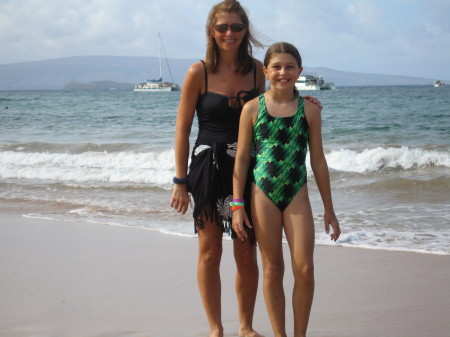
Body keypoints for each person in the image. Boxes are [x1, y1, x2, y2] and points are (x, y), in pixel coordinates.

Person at [170, 1, 322, 336]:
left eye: (236, 27)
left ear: (245, 30)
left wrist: (305, 100)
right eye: (222, 27)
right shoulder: (199, 71)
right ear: (212, 31)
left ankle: (246, 326)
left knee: (245, 252)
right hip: (208, 166)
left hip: (249, 170)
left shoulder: (256, 69)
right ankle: (215, 328)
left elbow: (279, 95)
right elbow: (182, 129)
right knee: (210, 252)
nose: (230, 33)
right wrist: (180, 180)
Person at [232, 42, 340, 337]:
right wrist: (237, 205)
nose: (283, 72)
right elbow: (242, 158)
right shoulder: (252, 109)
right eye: (276, 67)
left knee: (304, 269)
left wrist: (329, 209)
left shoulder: (309, 110)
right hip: (262, 193)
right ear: (265, 71)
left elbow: (318, 160)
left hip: (297, 193)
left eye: (289, 66)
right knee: (273, 268)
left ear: (300, 71)